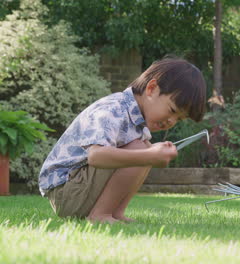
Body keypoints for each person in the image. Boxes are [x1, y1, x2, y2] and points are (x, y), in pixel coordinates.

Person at [39, 58, 206, 223]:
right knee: (142, 150)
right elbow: (95, 156)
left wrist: (153, 152)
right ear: (152, 88)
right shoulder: (113, 109)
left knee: (144, 148)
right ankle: (100, 215)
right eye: (172, 110)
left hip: (78, 189)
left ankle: (114, 213)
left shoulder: (138, 120)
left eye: (179, 119)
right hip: (66, 192)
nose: (171, 121)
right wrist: (149, 155)